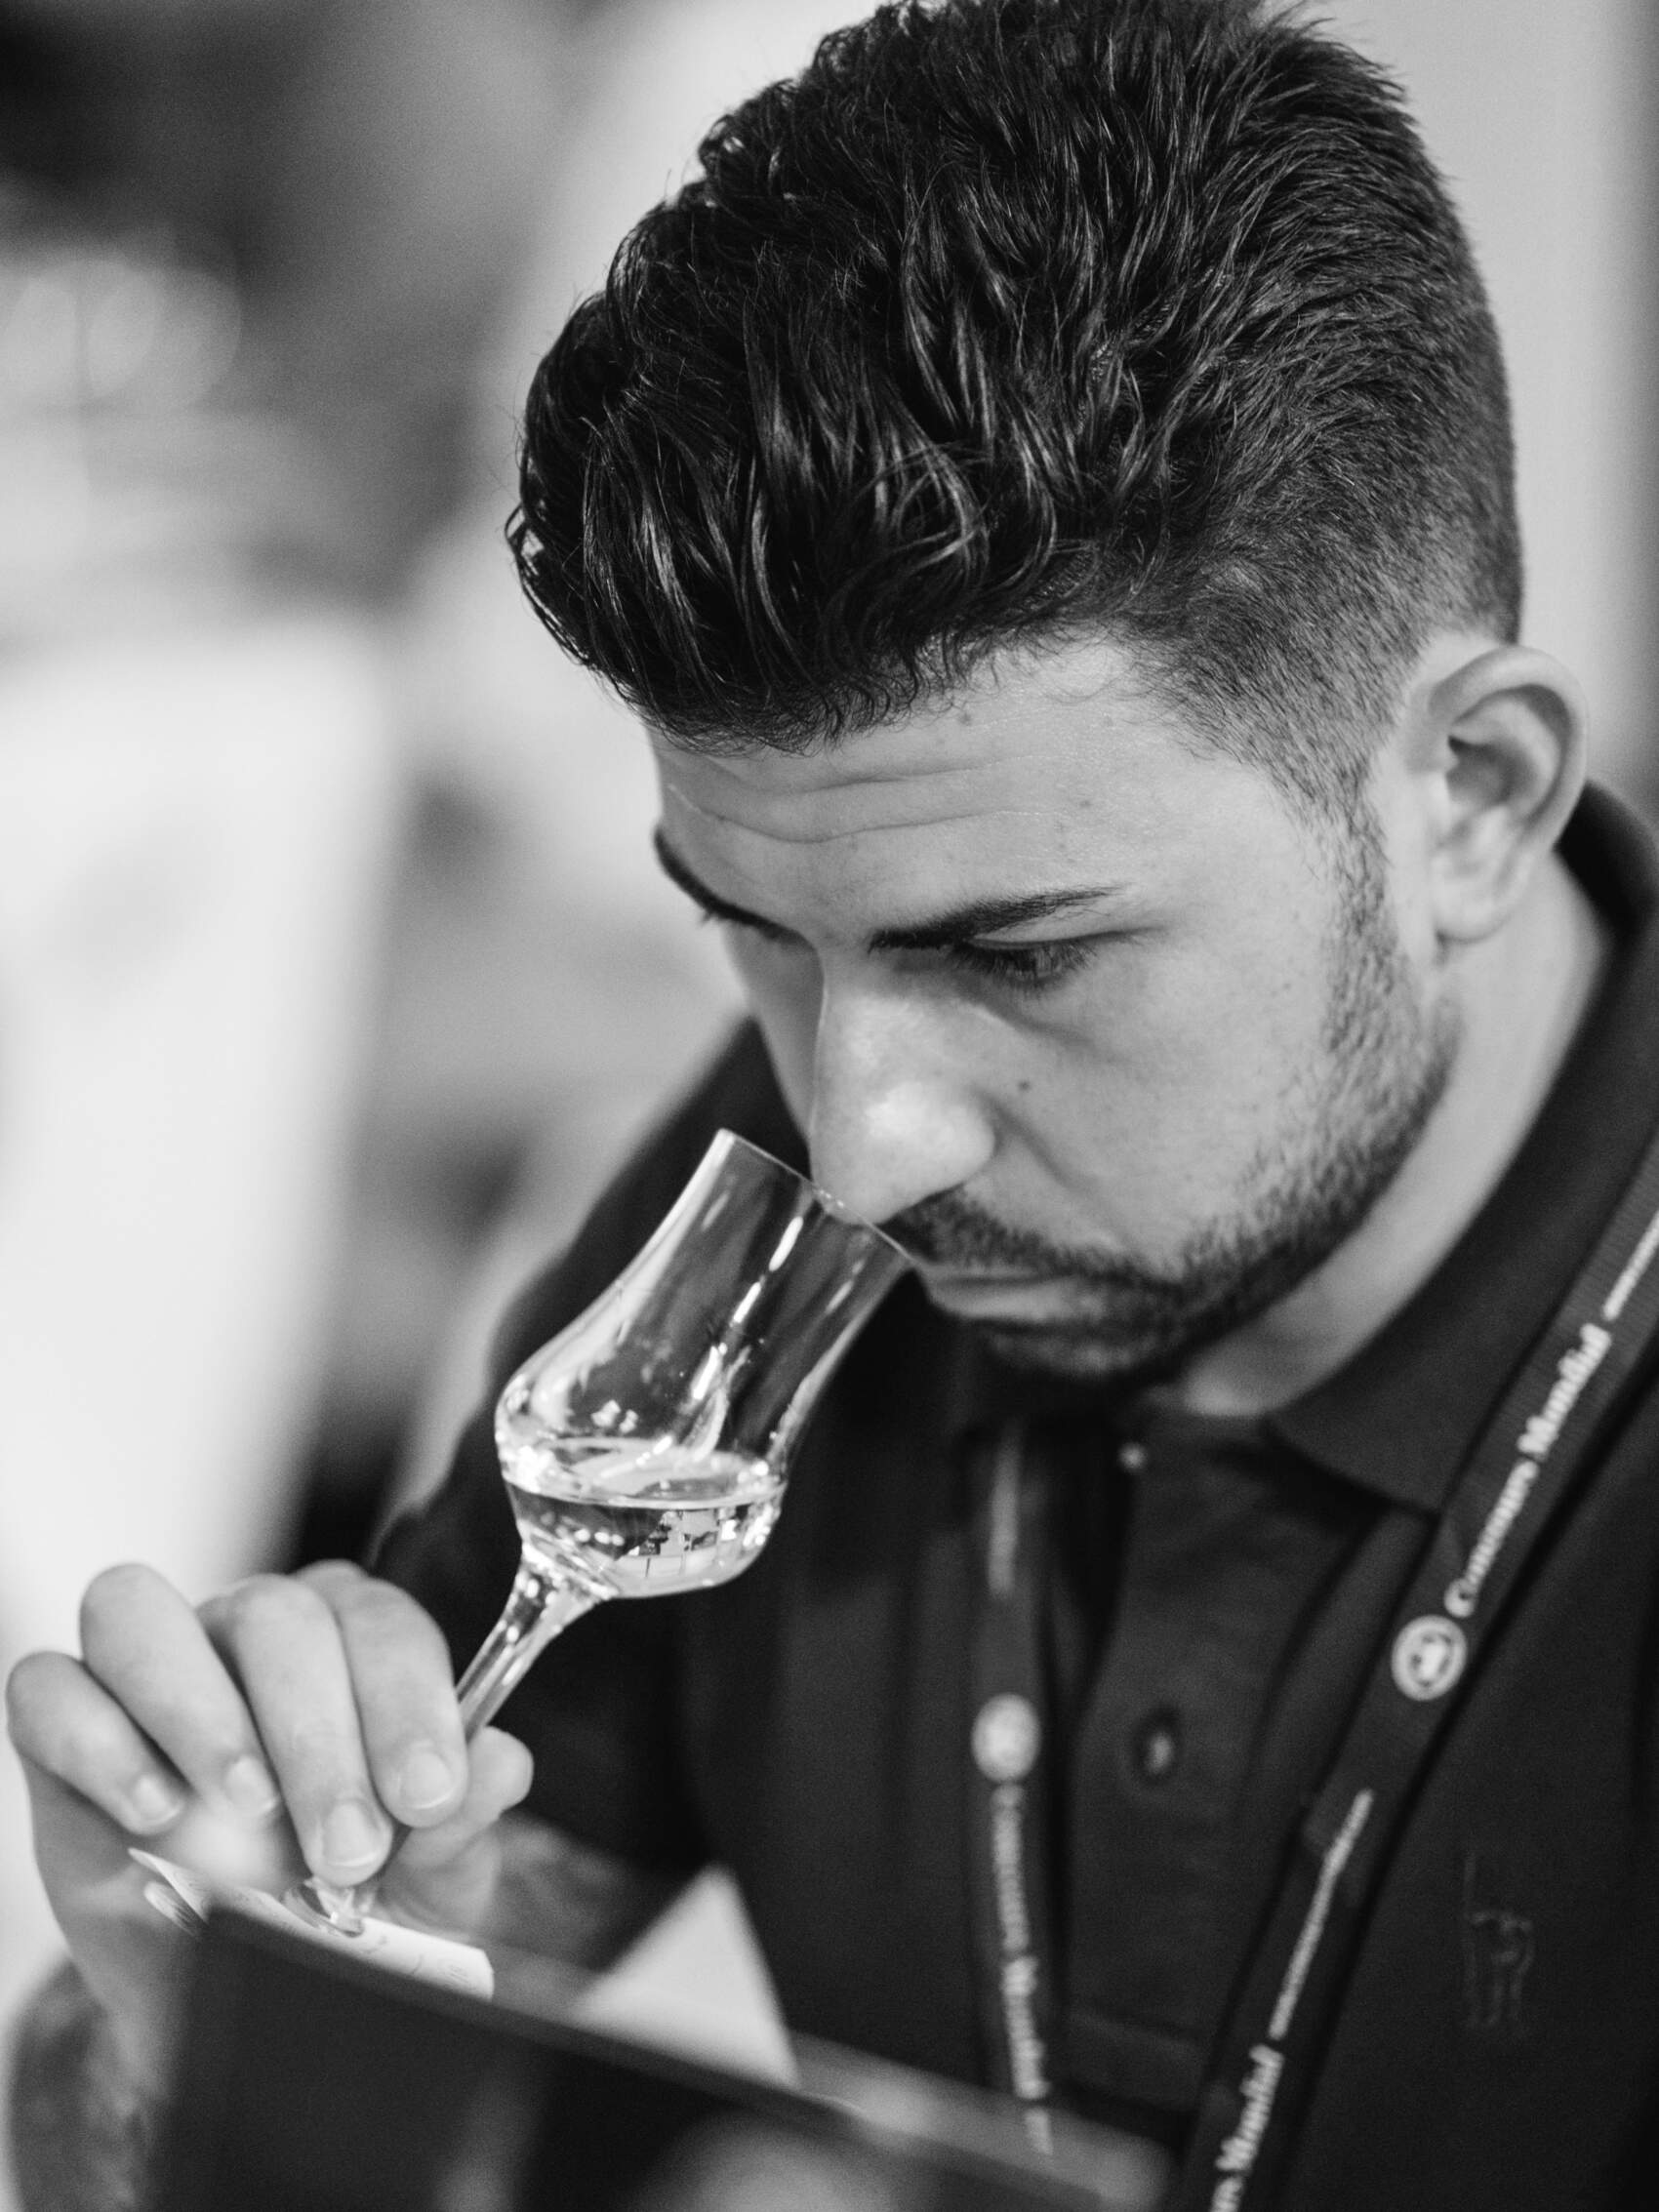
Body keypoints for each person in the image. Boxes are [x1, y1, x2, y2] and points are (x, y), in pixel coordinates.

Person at [9, 1, 1659, 2205]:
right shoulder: (758, 1238)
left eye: (1021, 958)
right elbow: (200, 2082)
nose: (864, 1147)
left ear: (1471, 795)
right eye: (757, 935)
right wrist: (211, 2035)